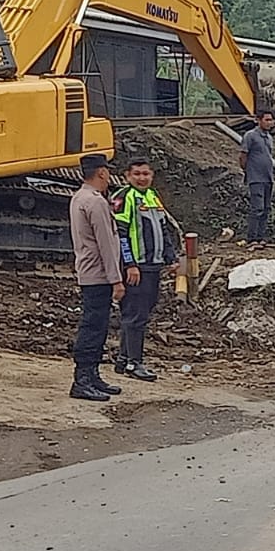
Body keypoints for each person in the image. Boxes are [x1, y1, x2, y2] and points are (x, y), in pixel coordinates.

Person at [113, 157, 181, 382]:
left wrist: (172, 258)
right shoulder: (124, 198)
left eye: (146, 174)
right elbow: (121, 234)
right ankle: (135, 363)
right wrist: (130, 264)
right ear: (127, 176)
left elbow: (164, 229)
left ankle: (123, 359)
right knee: (136, 315)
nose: (142, 178)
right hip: (137, 267)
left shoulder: (152, 197)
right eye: (137, 174)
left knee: (142, 311)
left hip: (154, 266)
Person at [68, 153, 125, 402]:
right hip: (98, 275)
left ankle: (92, 375)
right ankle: (83, 379)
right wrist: (116, 279)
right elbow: (106, 245)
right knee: (94, 326)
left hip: (89, 271)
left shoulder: (79, 197)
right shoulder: (96, 202)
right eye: (107, 171)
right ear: (101, 172)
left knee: (96, 324)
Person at [239, 110, 275, 247]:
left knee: (266, 208)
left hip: (268, 178)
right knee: (257, 208)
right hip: (256, 178)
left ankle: (261, 237)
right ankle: (252, 238)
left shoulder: (269, 137)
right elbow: (243, 155)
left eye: (271, 120)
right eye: (267, 120)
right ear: (258, 120)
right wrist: (247, 171)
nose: (270, 123)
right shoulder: (250, 136)